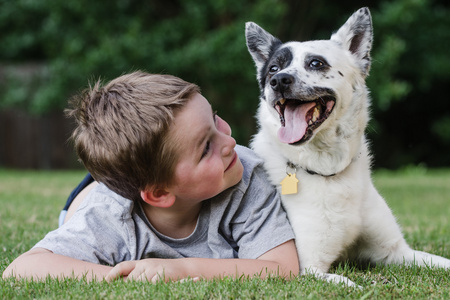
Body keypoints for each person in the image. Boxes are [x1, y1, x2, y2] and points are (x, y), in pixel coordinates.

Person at [3, 71, 298, 282]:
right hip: (100, 196)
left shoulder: (246, 174)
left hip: (138, 183)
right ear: (159, 194)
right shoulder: (108, 216)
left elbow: (281, 268)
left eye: (215, 119)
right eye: (206, 147)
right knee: (83, 208)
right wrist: (117, 276)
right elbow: (21, 269)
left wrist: (183, 269)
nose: (229, 142)